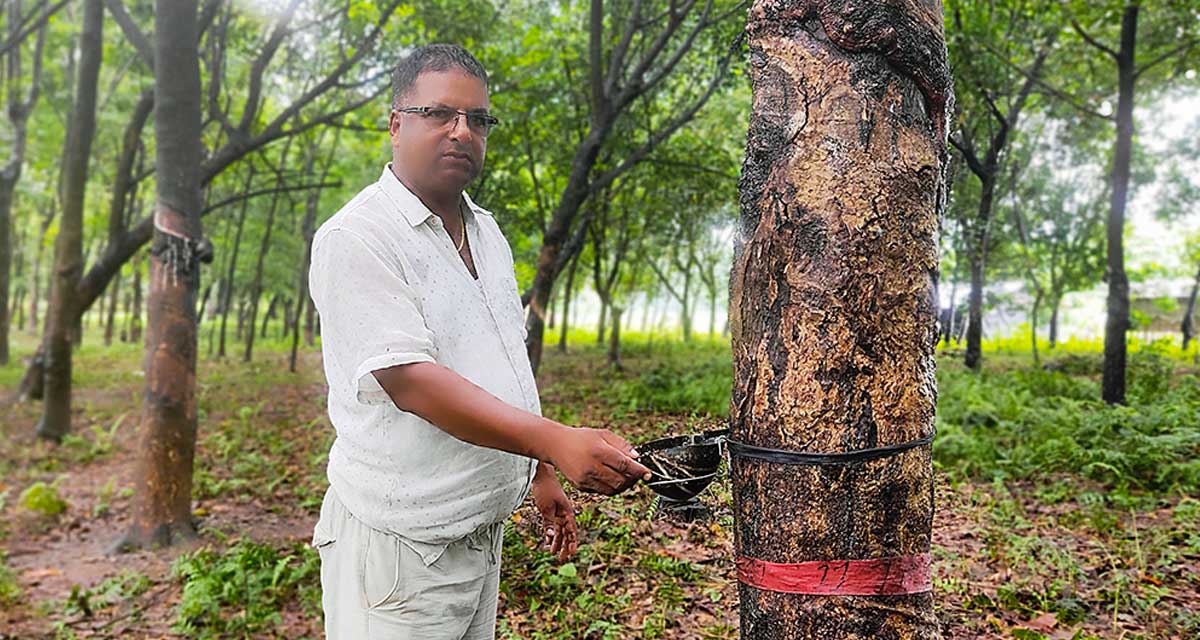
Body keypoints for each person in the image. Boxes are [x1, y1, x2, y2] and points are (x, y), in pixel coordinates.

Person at [307, 43, 652, 639]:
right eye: (440, 114)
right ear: (396, 124)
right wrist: (556, 439)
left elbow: (503, 357)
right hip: (400, 551)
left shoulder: (485, 230)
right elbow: (412, 382)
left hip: (478, 538)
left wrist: (539, 469)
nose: (460, 132)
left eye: (477, 119)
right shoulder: (357, 237)